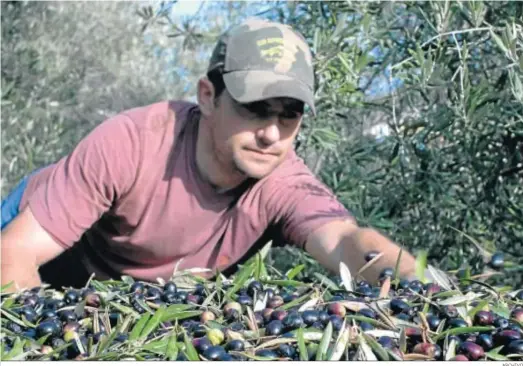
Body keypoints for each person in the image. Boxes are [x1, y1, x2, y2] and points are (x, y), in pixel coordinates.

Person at [1, 17, 418, 291]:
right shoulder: (132, 143)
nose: (272, 134)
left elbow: (346, 242)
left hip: (126, 291)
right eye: (254, 109)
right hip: (38, 230)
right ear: (208, 96)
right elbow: (15, 253)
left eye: (289, 116)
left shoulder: (282, 183)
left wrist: (419, 282)